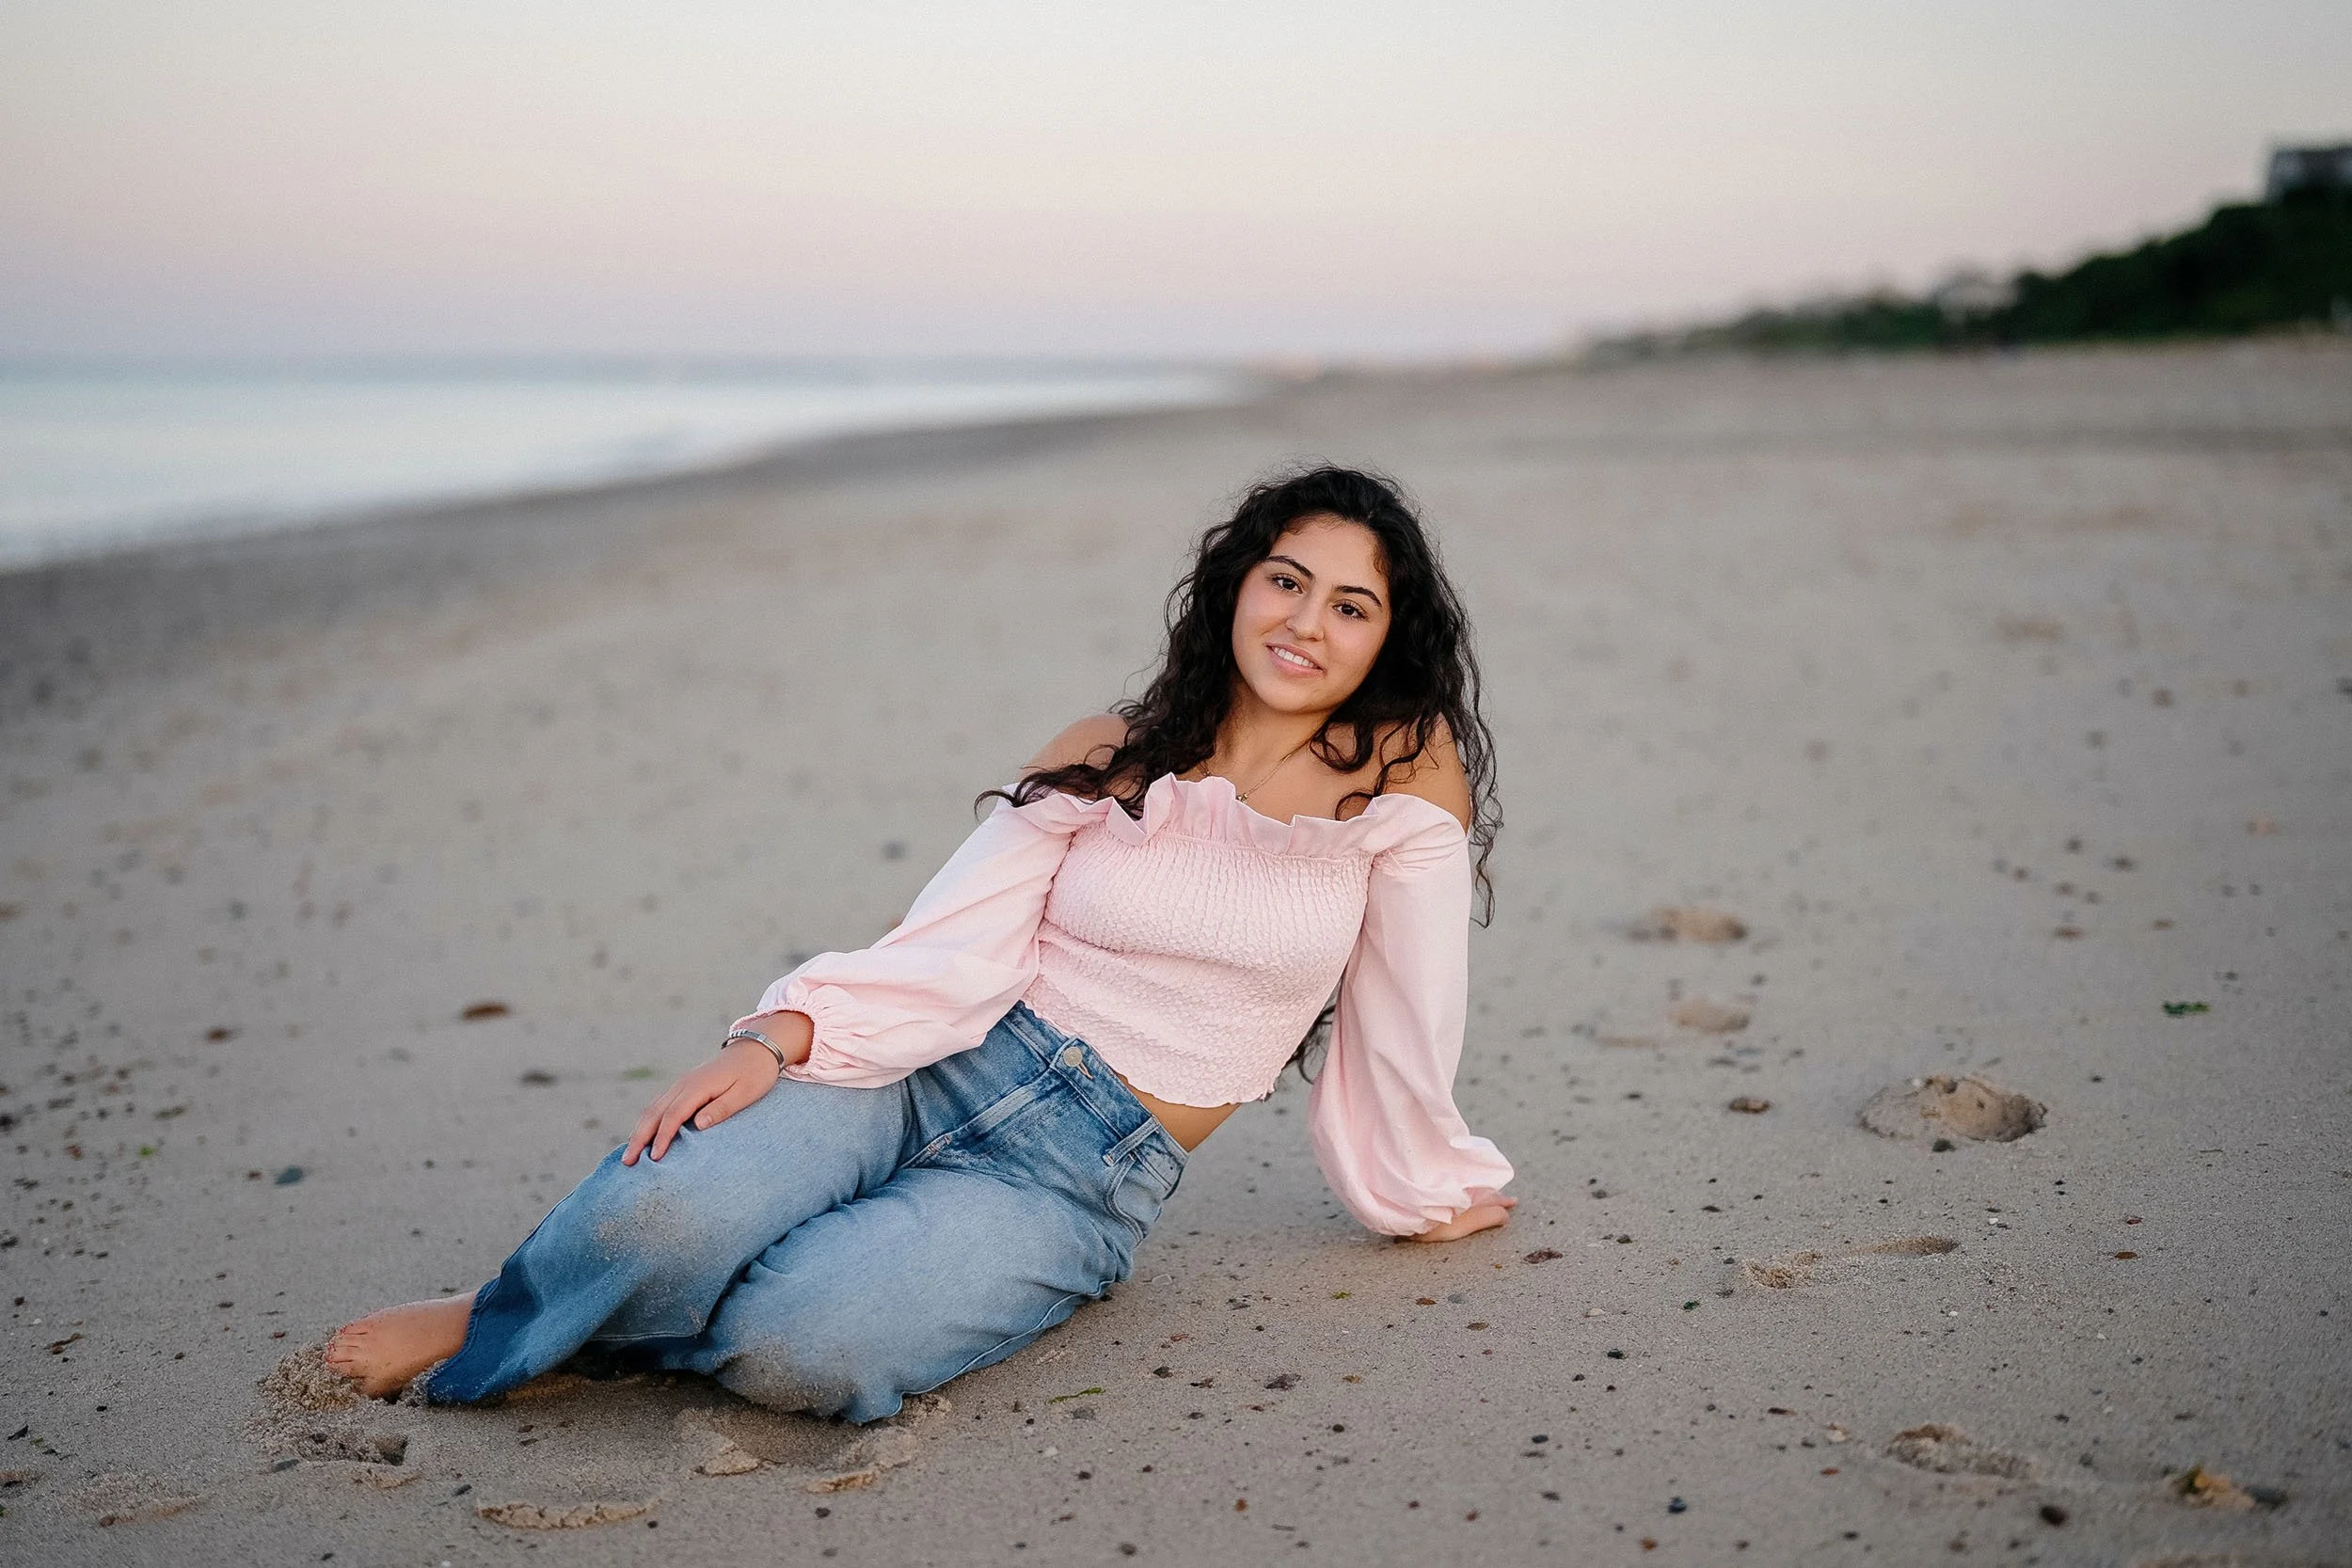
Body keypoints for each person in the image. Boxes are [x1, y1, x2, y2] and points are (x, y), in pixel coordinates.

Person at [325, 465, 1517, 1421]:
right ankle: (516, 1306)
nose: (1306, 622)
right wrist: (776, 1035)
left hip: (1078, 1174)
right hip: (920, 1064)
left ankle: (602, 1320)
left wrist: (1418, 1179)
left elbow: (1411, 1003)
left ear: (1384, 640)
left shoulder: (1402, 775)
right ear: (1235, 586)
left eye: (1349, 606)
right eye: (1286, 580)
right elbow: (954, 934)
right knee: (656, 1214)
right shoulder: (1111, 744)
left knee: (810, 1348)